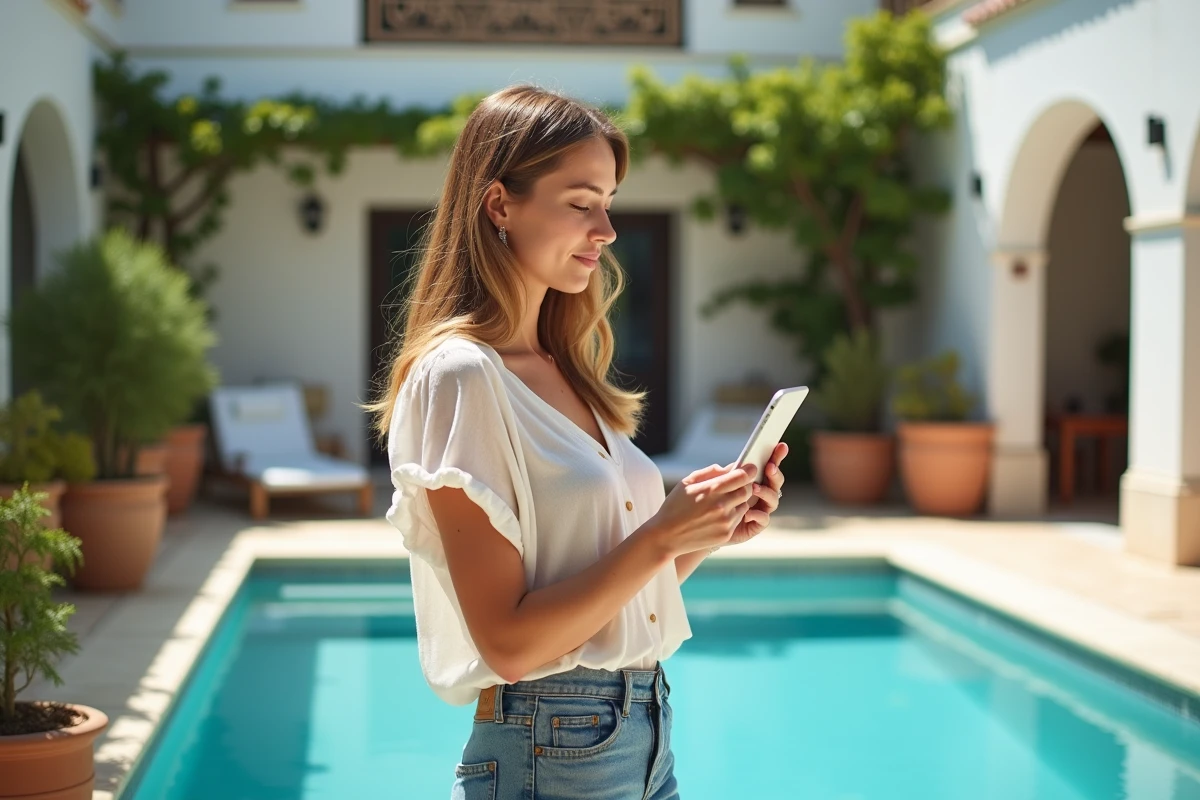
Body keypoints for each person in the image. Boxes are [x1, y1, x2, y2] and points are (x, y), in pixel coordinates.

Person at [369, 84, 788, 800]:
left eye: (609, 203)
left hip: (642, 733)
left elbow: (603, 597)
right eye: (580, 203)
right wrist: (660, 535)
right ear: (499, 205)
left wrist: (702, 533)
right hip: (551, 743)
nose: (607, 230)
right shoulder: (461, 376)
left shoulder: (568, 370)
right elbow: (509, 643)